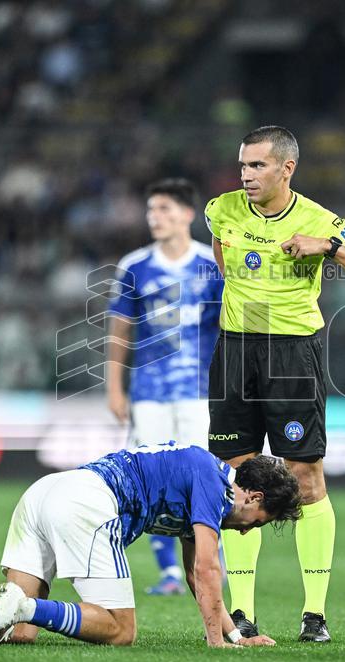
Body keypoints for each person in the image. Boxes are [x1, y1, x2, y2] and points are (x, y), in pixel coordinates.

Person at [205, 125, 345, 642]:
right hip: (235, 351)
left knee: (305, 476)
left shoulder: (324, 220)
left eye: (258, 166)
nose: (246, 175)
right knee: (235, 479)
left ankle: (315, 615)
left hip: (292, 353)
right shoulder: (219, 210)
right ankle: (241, 614)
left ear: (287, 168)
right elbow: (226, 265)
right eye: (243, 165)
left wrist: (329, 247)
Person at [0, 443, 301, 648]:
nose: (248, 532)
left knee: (17, 634)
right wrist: (218, 645)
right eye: (258, 523)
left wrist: (234, 636)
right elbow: (209, 569)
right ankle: (21, 603)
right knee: (120, 630)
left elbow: (197, 576)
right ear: (253, 497)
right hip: (89, 501)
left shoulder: (202, 483)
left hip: (46, 491)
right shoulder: (214, 487)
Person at [105, 178, 223, 595]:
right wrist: (114, 388)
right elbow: (120, 332)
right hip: (149, 391)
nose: (155, 217)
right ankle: (169, 573)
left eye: (165, 210)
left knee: (203, 476)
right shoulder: (134, 265)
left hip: (199, 391)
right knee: (149, 478)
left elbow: (229, 326)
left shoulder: (212, 264)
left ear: (188, 215)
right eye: (151, 210)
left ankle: (209, 561)